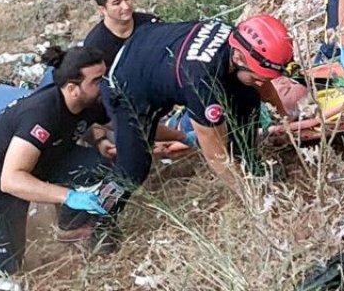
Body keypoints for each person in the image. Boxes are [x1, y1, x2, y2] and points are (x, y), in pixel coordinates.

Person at [0, 47, 118, 276]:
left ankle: (71, 229)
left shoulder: (89, 99)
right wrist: (68, 196)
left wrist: (183, 137)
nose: (104, 85)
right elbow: (11, 180)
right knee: (7, 266)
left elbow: (123, 124)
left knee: (98, 168)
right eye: (97, 80)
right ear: (73, 88)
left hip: (46, 159)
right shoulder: (41, 115)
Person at [103, 15, 296, 192]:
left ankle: (249, 165)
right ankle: (97, 215)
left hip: (154, 49)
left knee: (248, 96)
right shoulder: (201, 81)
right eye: (258, 77)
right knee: (132, 170)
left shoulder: (238, 41)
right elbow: (215, 154)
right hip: (127, 85)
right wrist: (252, 197)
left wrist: (283, 115)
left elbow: (262, 85)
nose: (262, 82)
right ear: (238, 58)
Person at [83, 0, 160, 60]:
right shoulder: (95, 45)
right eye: (117, 3)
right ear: (103, 9)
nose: (126, 6)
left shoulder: (150, 23)